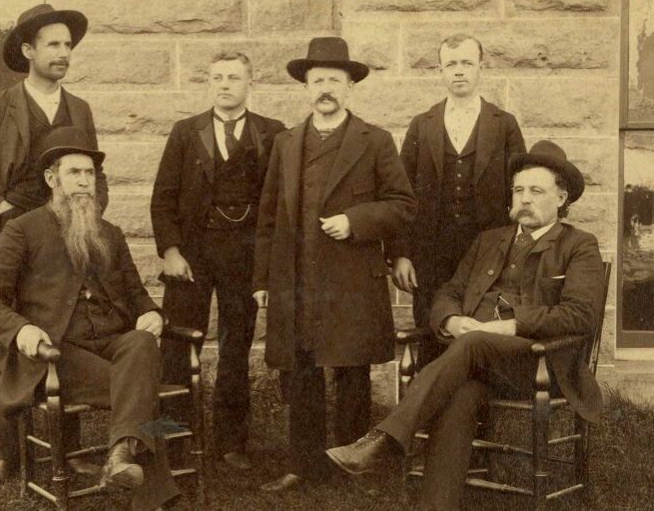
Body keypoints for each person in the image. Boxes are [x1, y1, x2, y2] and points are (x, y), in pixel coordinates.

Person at [327, 141, 604, 511]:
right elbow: (449, 291)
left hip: (539, 362)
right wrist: (452, 320)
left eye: (536, 191)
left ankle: (385, 441)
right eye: (518, 190)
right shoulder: (490, 240)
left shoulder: (578, 245)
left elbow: (580, 314)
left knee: (473, 344)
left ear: (561, 197)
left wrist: (508, 327)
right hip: (478, 361)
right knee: (461, 394)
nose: (524, 199)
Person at [0, 126, 178, 511]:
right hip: (57, 353)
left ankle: (120, 455)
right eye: (74, 173)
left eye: (89, 174)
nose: (84, 182)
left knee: (142, 342)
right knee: (140, 388)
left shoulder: (110, 234)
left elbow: (136, 293)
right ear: (52, 179)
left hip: (110, 344)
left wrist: (151, 312)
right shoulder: (22, 230)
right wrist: (21, 329)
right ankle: (147, 492)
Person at [0, 3, 108, 485]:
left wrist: (90, 218)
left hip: (67, 239)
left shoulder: (80, 109)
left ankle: (66, 450)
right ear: (28, 50)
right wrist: (2, 211)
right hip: (11, 236)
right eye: (53, 44)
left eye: (68, 45)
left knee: (66, 331)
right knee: (12, 340)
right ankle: (6, 452)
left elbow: (95, 176)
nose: (63, 53)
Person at [253, 37, 416, 491]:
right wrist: (262, 279)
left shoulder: (375, 140)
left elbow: (403, 204)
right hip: (297, 279)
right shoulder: (286, 142)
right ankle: (302, 465)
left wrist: (356, 221)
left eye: (334, 80)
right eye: (318, 80)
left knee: (351, 374)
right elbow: (268, 216)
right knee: (301, 371)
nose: (325, 88)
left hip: (350, 279)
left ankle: (351, 465)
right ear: (306, 87)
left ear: (349, 87)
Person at [150, 52, 285, 469]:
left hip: (244, 257)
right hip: (191, 256)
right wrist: (171, 251)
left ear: (250, 83)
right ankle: (172, 439)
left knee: (235, 347)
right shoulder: (185, 131)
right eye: (217, 77)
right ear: (209, 83)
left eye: (233, 77)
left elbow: (279, 202)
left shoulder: (272, 132)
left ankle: (231, 443)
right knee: (177, 344)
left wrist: (266, 266)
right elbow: (163, 198)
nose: (224, 84)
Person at [389, 33, 526, 366]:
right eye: (451, 64)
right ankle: (429, 399)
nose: (459, 70)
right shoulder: (422, 125)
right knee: (432, 333)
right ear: (440, 70)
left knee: (482, 335)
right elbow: (401, 195)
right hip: (430, 255)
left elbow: (521, 189)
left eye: (467, 62)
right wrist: (401, 254)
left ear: (481, 67)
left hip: (488, 254)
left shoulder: (504, 125)